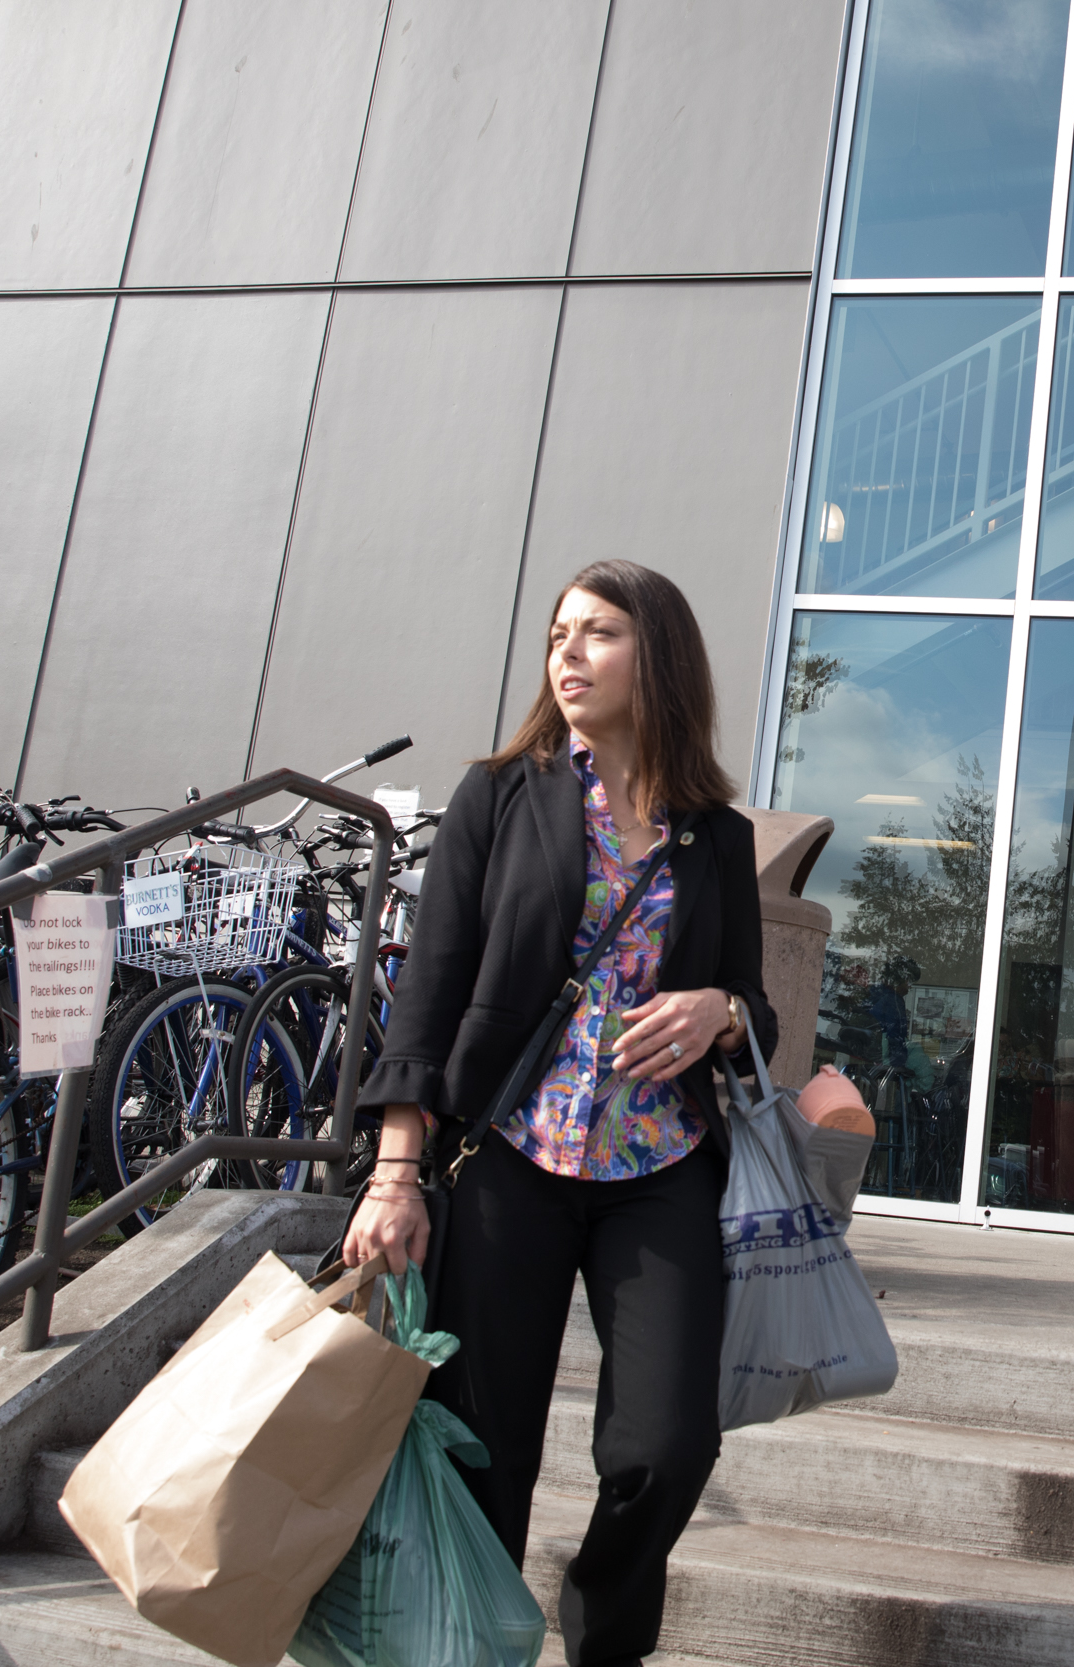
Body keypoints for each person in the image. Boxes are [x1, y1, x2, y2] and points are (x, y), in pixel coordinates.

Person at [344, 560, 778, 1666]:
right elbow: (430, 985)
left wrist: (721, 1007)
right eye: (558, 634)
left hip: (661, 1167)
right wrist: (397, 1170)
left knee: (669, 1446)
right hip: (509, 1160)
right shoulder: (502, 792)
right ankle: (472, 1649)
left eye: (598, 632)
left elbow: (756, 1004)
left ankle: (600, 1636)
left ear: (659, 656)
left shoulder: (714, 834)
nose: (568, 652)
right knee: (485, 1448)